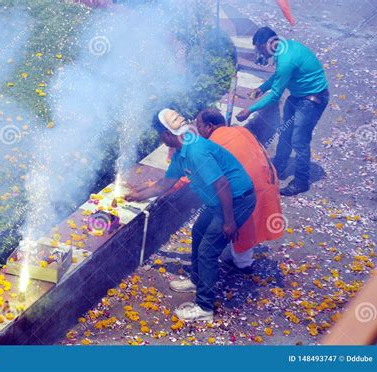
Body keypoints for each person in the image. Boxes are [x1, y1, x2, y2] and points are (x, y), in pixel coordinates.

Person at [126, 109, 255, 321]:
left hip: (236, 200)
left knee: (207, 251)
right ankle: (197, 279)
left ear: (168, 134)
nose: (160, 138)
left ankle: (204, 308)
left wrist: (230, 221)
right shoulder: (181, 153)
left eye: (160, 134)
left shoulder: (195, 152)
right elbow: (164, 185)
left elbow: (222, 185)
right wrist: (136, 195)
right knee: (198, 232)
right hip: (219, 203)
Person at [236, 27, 329, 196]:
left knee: (299, 140)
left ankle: (301, 181)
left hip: (312, 100)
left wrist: (250, 110)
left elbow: (275, 95)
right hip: (298, 96)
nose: (260, 52)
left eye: (260, 47)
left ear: (269, 43)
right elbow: (279, 76)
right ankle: (278, 168)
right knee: (285, 133)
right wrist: (261, 88)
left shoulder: (286, 59)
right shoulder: (284, 47)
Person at [196, 108, 284, 273]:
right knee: (250, 224)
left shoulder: (213, 144)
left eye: (199, 127)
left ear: (209, 127)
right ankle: (242, 258)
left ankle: (242, 265)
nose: (198, 132)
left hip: (250, 189)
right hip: (268, 178)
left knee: (242, 226)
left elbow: (193, 171)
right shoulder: (240, 130)